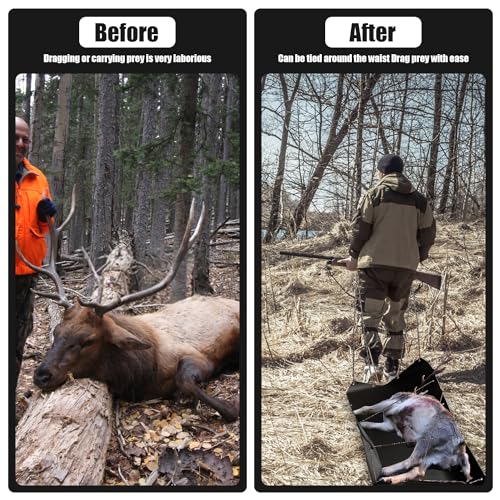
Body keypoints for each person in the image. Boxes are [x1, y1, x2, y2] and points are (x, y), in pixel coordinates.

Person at [339, 154, 436, 382]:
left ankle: (371, 366)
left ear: (382, 173)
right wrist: (417, 257)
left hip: (374, 266)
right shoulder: (420, 201)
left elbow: (360, 229)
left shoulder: (373, 195)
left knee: (370, 315)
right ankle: (392, 367)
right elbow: (429, 233)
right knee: (395, 316)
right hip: (405, 268)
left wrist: (353, 256)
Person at [15, 116, 57, 385]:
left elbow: (44, 226)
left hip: (24, 276)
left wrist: (47, 215)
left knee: (16, 340)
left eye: (25, 139)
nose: (20, 143)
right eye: (15, 137)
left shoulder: (37, 178)